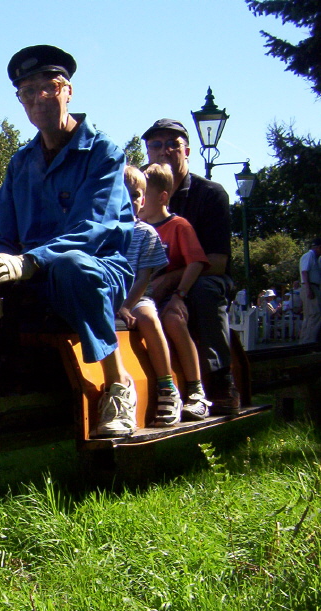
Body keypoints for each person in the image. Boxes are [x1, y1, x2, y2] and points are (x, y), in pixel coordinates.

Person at [0, 45, 137, 437]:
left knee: (71, 265)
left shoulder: (103, 153)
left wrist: (29, 261)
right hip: (34, 275)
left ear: (68, 91)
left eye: (47, 87)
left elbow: (93, 230)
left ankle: (119, 385)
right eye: (27, 92)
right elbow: (1, 233)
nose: (38, 99)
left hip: (97, 271)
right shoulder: (21, 162)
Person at [142, 118, 239, 414]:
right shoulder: (137, 191)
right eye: (156, 144)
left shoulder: (210, 194)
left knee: (205, 291)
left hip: (202, 277)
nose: (164, 150)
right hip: (150, 279)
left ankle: (220, 382)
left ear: (187, 151)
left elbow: (217, 263)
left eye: (174, 144)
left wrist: (171, 284)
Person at [141, 164, 212, 420]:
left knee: (172, 319)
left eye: (144, 194)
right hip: (145, 297)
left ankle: (196, 391)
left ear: (162, 197)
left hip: (174, 295)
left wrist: (179, 294)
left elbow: (196, 262)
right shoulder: (137, 228)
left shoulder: (178, 226)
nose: (138, 201)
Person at [117, 166, 180, 426]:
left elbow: (144, 277)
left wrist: (126, 306)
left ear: (143, 200)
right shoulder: (104, 232)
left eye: (135, 195)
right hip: (109, 297)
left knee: (148, 318)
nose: (129, 200)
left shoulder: (146, 233)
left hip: (137, 297)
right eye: (122, 193)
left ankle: (167, 386)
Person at [299, 237, 321, 344]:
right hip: (310, 286)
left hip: (313, 286)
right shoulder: (309, 255)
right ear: (318, 247)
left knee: (310, 315)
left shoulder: (315, 258)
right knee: (315, 314)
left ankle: (305, 341)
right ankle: (309, 341)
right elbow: (304, 272)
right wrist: (308, 289)